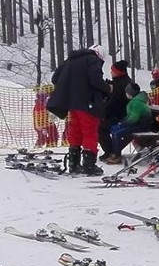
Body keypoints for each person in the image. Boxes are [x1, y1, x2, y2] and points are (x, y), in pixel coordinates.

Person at [46, 44, 111, 175]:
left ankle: (73, 164)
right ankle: (89, 166)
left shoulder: (70, 60)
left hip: (72, 104)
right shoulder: (92, 60)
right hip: (88, 103)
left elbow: (55, 79)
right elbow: (96, 80)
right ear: (99, 55)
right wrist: (108, 88)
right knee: (90, 132)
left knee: (75, 131)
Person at [105, 83, 153, 164]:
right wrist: (120, 123)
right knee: (116, 131)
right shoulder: (136, 101)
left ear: (131, 93)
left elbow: (133, 119)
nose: (126, 94)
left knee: (117, 133)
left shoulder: (136, 103)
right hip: (140, 124)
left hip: (142, 126)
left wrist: (122, 125)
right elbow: (130, 117)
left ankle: (116, 155)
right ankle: (114, 152)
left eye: (127, 92)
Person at [98, 59, 132, 161]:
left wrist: (103, 111)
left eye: (112, 71)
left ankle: (111, 151)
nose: (111, 72)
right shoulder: (122, 82)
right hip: (121, 114)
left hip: (120, 115)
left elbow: (114, 103)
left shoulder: (120, 85)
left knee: (100, 128)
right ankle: (112, 151)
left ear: (117, 72)